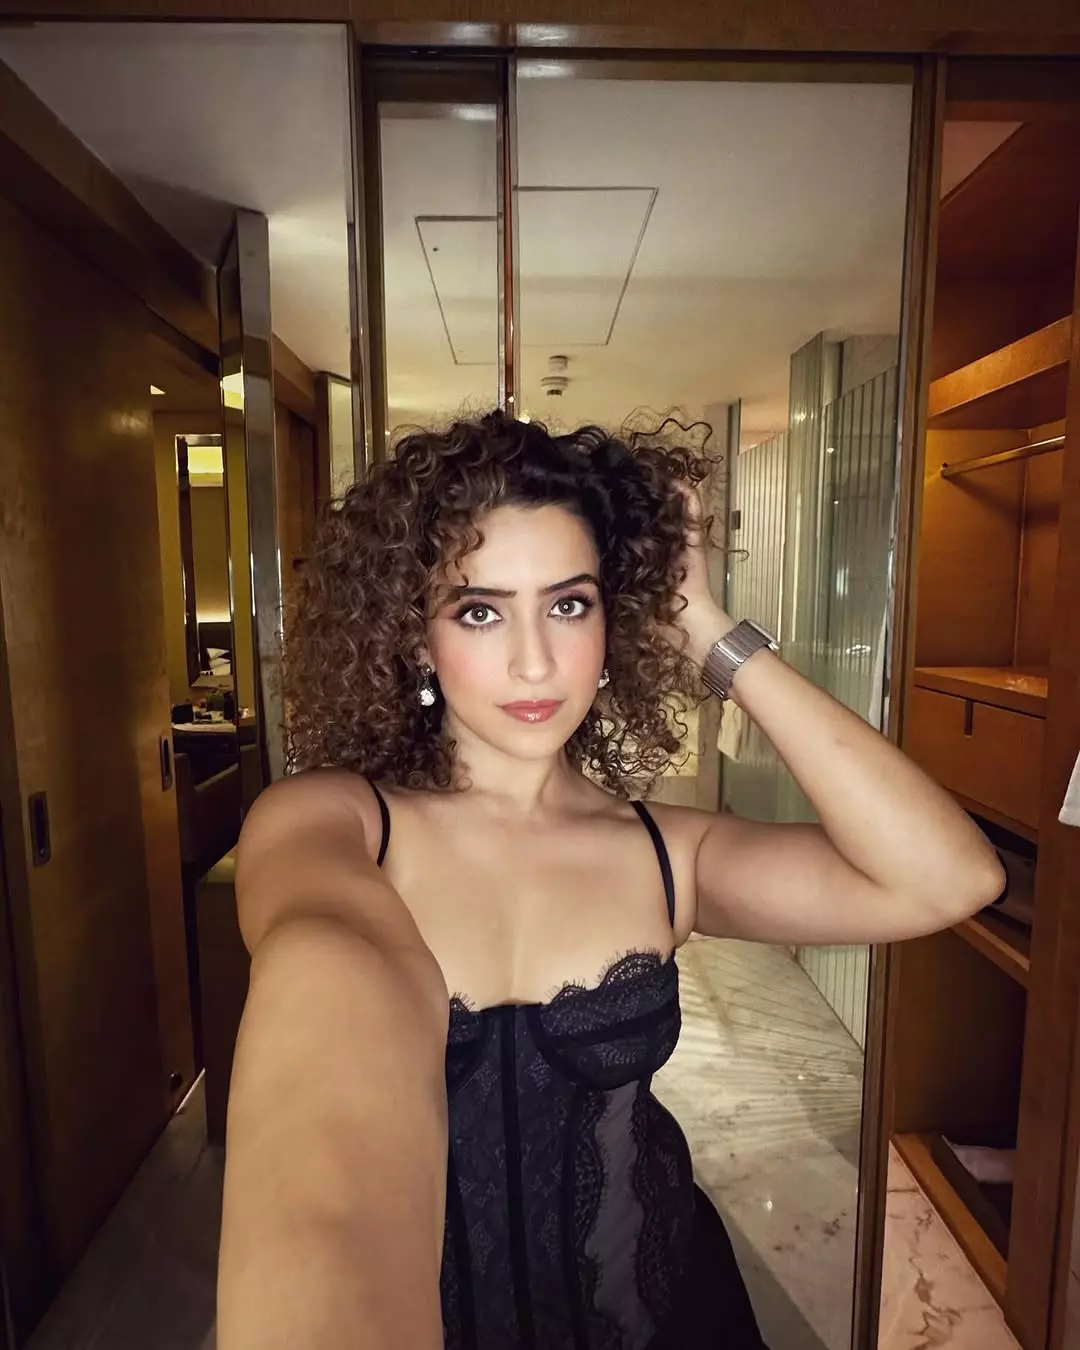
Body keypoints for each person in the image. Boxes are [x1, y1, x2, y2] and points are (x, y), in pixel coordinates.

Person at [216, 411, 1003, 1350]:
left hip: (676, 1319)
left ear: (613, 619)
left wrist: (704, 626)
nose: (535, 660)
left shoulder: (669, 853)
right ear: (417, 638)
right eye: (479, 611)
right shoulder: (328, 823)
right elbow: (325, 981)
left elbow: (947, 878)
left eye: (569, 605)